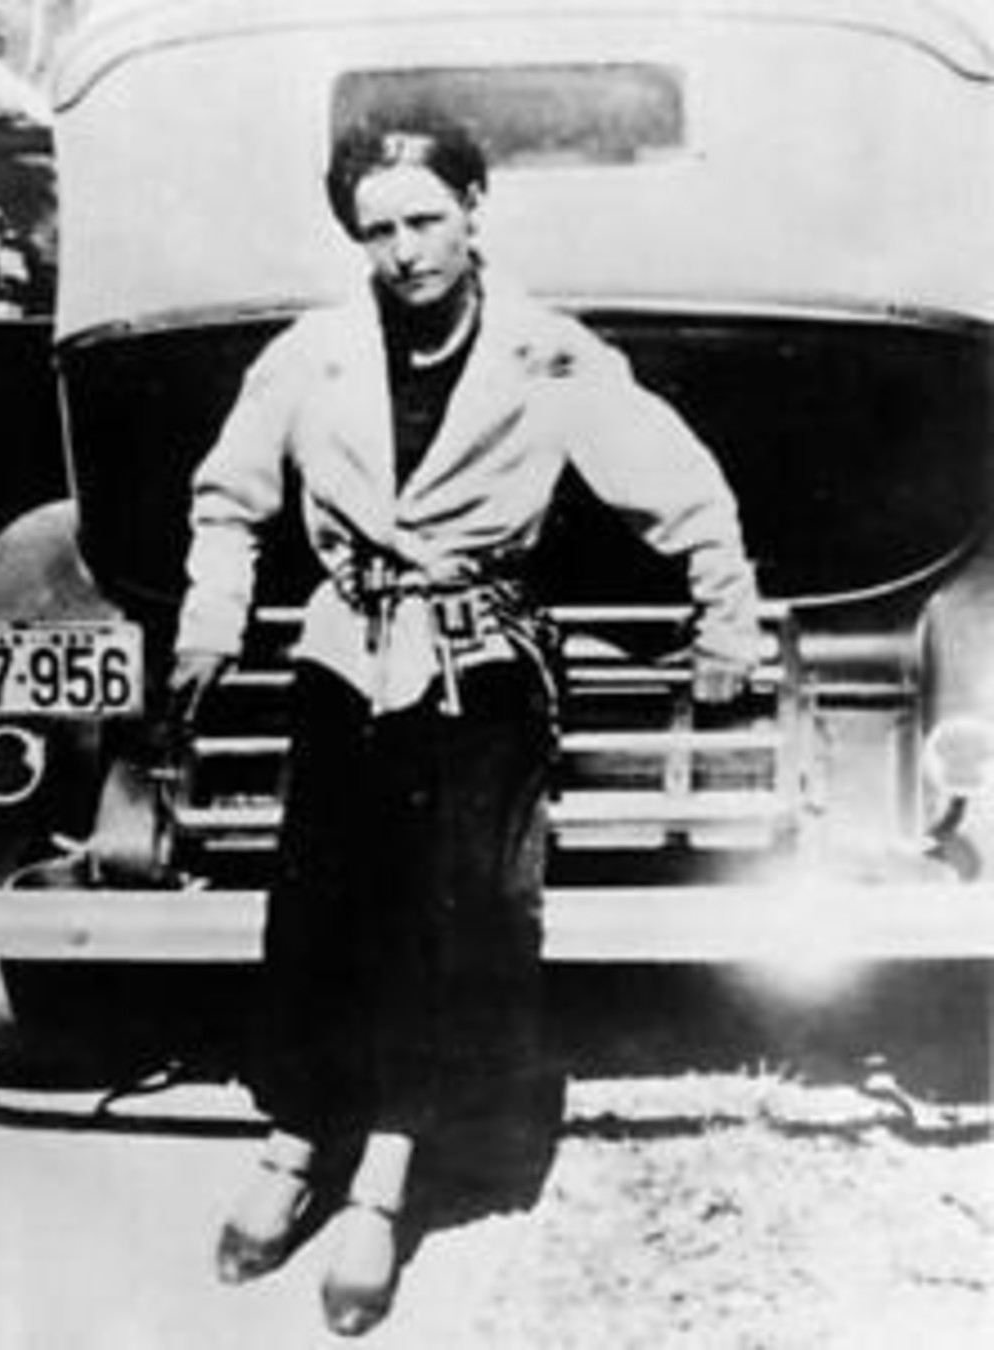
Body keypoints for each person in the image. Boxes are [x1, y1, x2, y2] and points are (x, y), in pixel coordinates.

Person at [170, 107, 761, 1336]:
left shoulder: (551, 357)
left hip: (480, 666)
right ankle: (294, 1142)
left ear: (475, 209)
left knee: (450, 925)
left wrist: (725, 624)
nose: (405, 251)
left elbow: (684, 490)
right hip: (345, 658)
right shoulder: (310, 355)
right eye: (378, 229)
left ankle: (384, 1181)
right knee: (318, 914)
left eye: (427, 219)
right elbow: (229, 499)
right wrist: (210, 621)